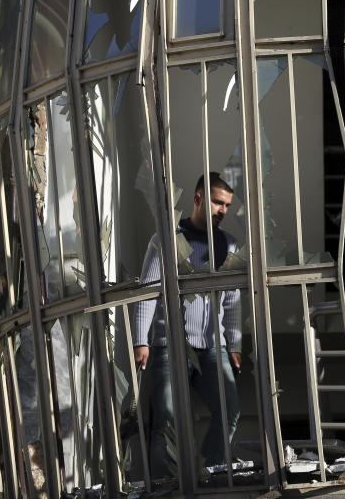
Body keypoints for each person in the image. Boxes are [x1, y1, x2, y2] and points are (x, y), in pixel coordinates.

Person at [132, 173, 242, 478]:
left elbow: (232, 298)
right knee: (166, 422)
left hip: (211, 348)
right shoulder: (166, 240)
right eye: (218, 202)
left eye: (228, 205)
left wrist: (234, 344)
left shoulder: (228, 244)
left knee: (229, 411)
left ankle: (208, 474)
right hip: (171, 346)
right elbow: (148, 291)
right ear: (198, 199)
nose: (223, 210)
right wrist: (141, 340)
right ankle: (165, 485)